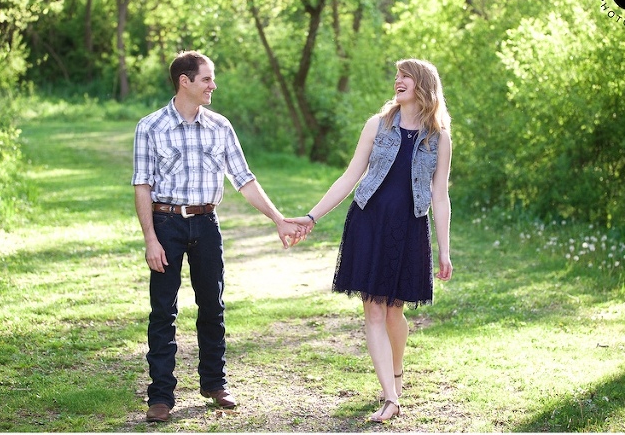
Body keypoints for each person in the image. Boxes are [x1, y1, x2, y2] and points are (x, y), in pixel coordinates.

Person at [132, 50, 306, 422]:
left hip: (206, 224)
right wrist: (150, 238)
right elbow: (142, 185)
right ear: (185, 81)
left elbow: (244, 179)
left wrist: (277, 218)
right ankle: (160, 396)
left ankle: (214, 383)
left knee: (213, 305)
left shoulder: (220, 126)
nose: (214, 85)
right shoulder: (150, 127)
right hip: (167, 225)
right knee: (163, 311)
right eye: (207, 79)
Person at [287, 58, 453, 423]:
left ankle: (396, 374)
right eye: (396, 75)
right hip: (369, 222)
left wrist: (445, 249)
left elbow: (440, 195)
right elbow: (350, 176)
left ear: (422, 84)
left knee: (395, 310)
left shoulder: (438, 137)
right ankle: (391, 398)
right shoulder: (377, 125)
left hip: (410, 228)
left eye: (405, 75)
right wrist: (312, 216)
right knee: (374, 308)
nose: (398, 81)